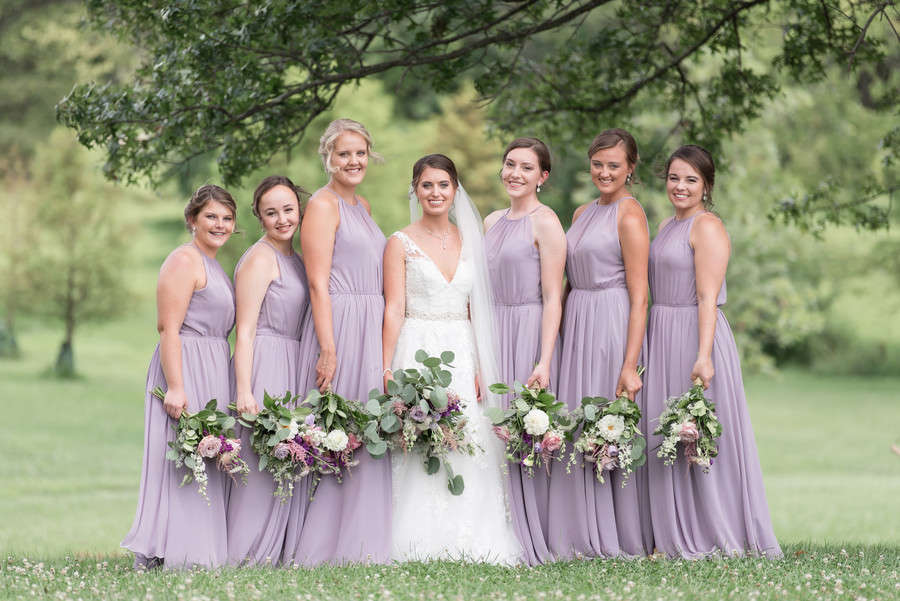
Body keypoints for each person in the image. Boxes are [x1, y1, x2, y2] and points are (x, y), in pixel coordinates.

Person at [382, 154, 523, 564]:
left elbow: (475, 309)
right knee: (420, 434)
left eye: (443, 184)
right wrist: (387, 366)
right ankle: (415, 535)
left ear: (455, 190)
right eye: (427, 185)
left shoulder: (471, 240)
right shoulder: (399, 242)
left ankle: (471, 531)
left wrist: (480, 365)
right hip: (416, 345)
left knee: (466, 435)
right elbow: (394, 308)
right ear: (415, 190)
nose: (435, 192)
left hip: (460, 350)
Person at [645, 144, 782, 558]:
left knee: (699, 435)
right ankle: (673, 530)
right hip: (662, 332)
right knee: (670, 434)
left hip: (695, 333)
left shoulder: (707, 227)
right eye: (674, 177)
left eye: (691, 180)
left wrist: (703, 355)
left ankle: (717, 530)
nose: (680, 186)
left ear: (706, 186)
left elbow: (707, 297)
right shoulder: (667, 225)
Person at [282, 119, 391, 566]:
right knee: (334, 424)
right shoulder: (323, 206)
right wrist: (328, 347)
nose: (354, 161)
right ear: (328, 157)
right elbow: (317, 282)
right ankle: (323, 541)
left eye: (360, 153)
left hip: (369, 321)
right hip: (340, 322)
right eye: (344, 153)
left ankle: (361, 535)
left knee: (365, 425)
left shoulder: (362, 205)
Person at [548, 129, 653, 558]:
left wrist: (630, 364)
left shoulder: (630, 215)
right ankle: (576, 529)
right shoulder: (581, 212)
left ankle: (615, 531)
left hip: (611, 320)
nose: (604, 172)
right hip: (578, 319)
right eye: (597, 164)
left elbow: (640, 295)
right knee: (577, 418)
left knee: (606, 421)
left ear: (630, 168)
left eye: (614, 165)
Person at [121, 185, 237, 570]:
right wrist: (175, 386)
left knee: (204, 456)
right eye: (211, 217)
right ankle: (171, 551)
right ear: (192, 220)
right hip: (185, 367)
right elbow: (168, 328)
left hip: (213, 368)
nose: (220, 225)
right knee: (182, 460)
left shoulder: (214, 264)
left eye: (227, 218)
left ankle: (197, 548)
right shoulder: (184, 260)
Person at [483, 137, 566, 565]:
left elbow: (553, 297)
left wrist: (544, 360)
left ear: (542, 177)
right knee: (490, 427)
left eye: (527, 167)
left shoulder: (546, 222)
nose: (515, 173)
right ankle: (491, 525)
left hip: (528, 329)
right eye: (510, 164)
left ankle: (531, 527)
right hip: (492, 329)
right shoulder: (491, 221)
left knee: (522, 429)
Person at [226, 176, 310, 565]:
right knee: (260, 461)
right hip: (264, 363)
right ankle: (245, 551)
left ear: (299, 209)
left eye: (288, 209)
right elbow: (244, 331)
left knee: (285, 455)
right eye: (271, 212)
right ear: (259, 217)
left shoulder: (297, 258)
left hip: (292, 364)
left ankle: (277, 550)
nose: (282, 219)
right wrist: (244, 390)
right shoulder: (260, 258)